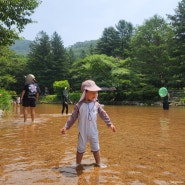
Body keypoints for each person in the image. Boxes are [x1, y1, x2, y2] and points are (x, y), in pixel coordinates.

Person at [60, 80, 116, 168]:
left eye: (96, 92)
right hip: (82, 132)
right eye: (92, 92)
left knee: (96, 148)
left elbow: (103, 114)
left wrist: (110, 124)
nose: (95, 95)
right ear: (85, 92)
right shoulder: (79, 105)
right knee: (80, 148)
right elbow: (73, 117)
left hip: (93, 132)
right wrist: (66, 127)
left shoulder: (96, 104)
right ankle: (78, 163)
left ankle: (98, 163)